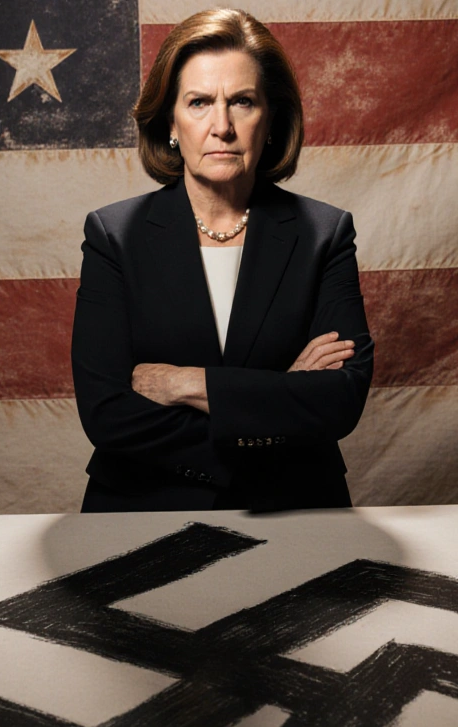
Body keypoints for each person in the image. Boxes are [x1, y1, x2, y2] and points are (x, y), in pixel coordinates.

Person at [71, 8, 373, 512]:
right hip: (143, 508)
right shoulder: (113, 235)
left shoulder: (324, 233)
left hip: (296, 508)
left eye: (243, 102)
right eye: (199, 103)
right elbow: (106, 413)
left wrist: (186, 383)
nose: (222, 126)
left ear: (271, 119)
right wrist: (279, 396)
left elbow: (339, 400)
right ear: (170, 121)